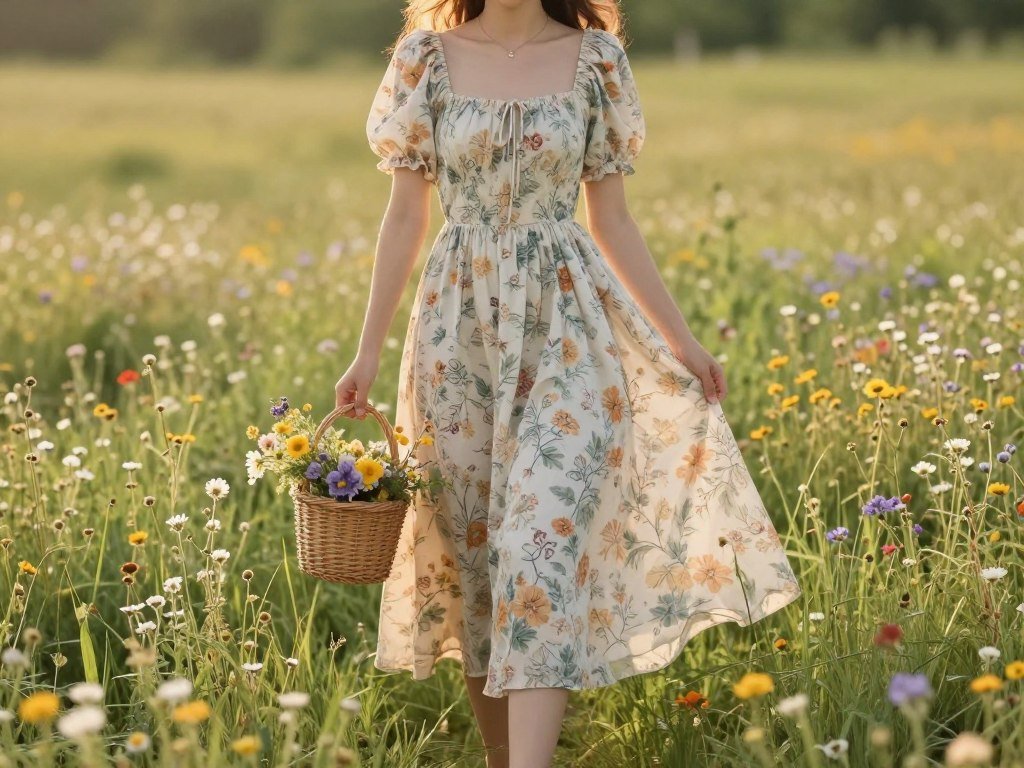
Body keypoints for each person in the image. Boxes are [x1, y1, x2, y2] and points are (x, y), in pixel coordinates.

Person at [335, 1, 803, 766]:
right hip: (458, 336)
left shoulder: (597, 61)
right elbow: (404, 219)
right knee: (474, 559)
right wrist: (366, 354)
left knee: (540, 549)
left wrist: (681, 341)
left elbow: (611, 219)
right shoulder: (426, 59)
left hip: (569, 330)